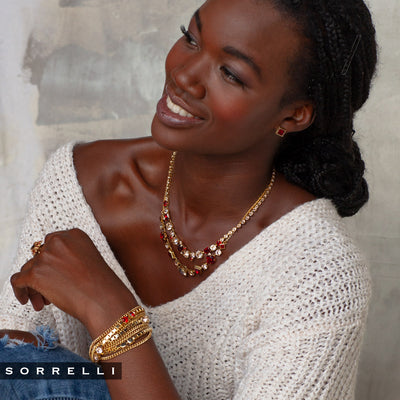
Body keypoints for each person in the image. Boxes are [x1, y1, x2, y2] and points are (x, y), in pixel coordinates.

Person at [0, 0, 377, 398]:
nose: (183, 76)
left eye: (230, 73)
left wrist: (109, 309)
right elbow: (16, 371)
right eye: (191, 38)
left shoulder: (319, 277)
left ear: (293, 114)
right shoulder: (79, 185)